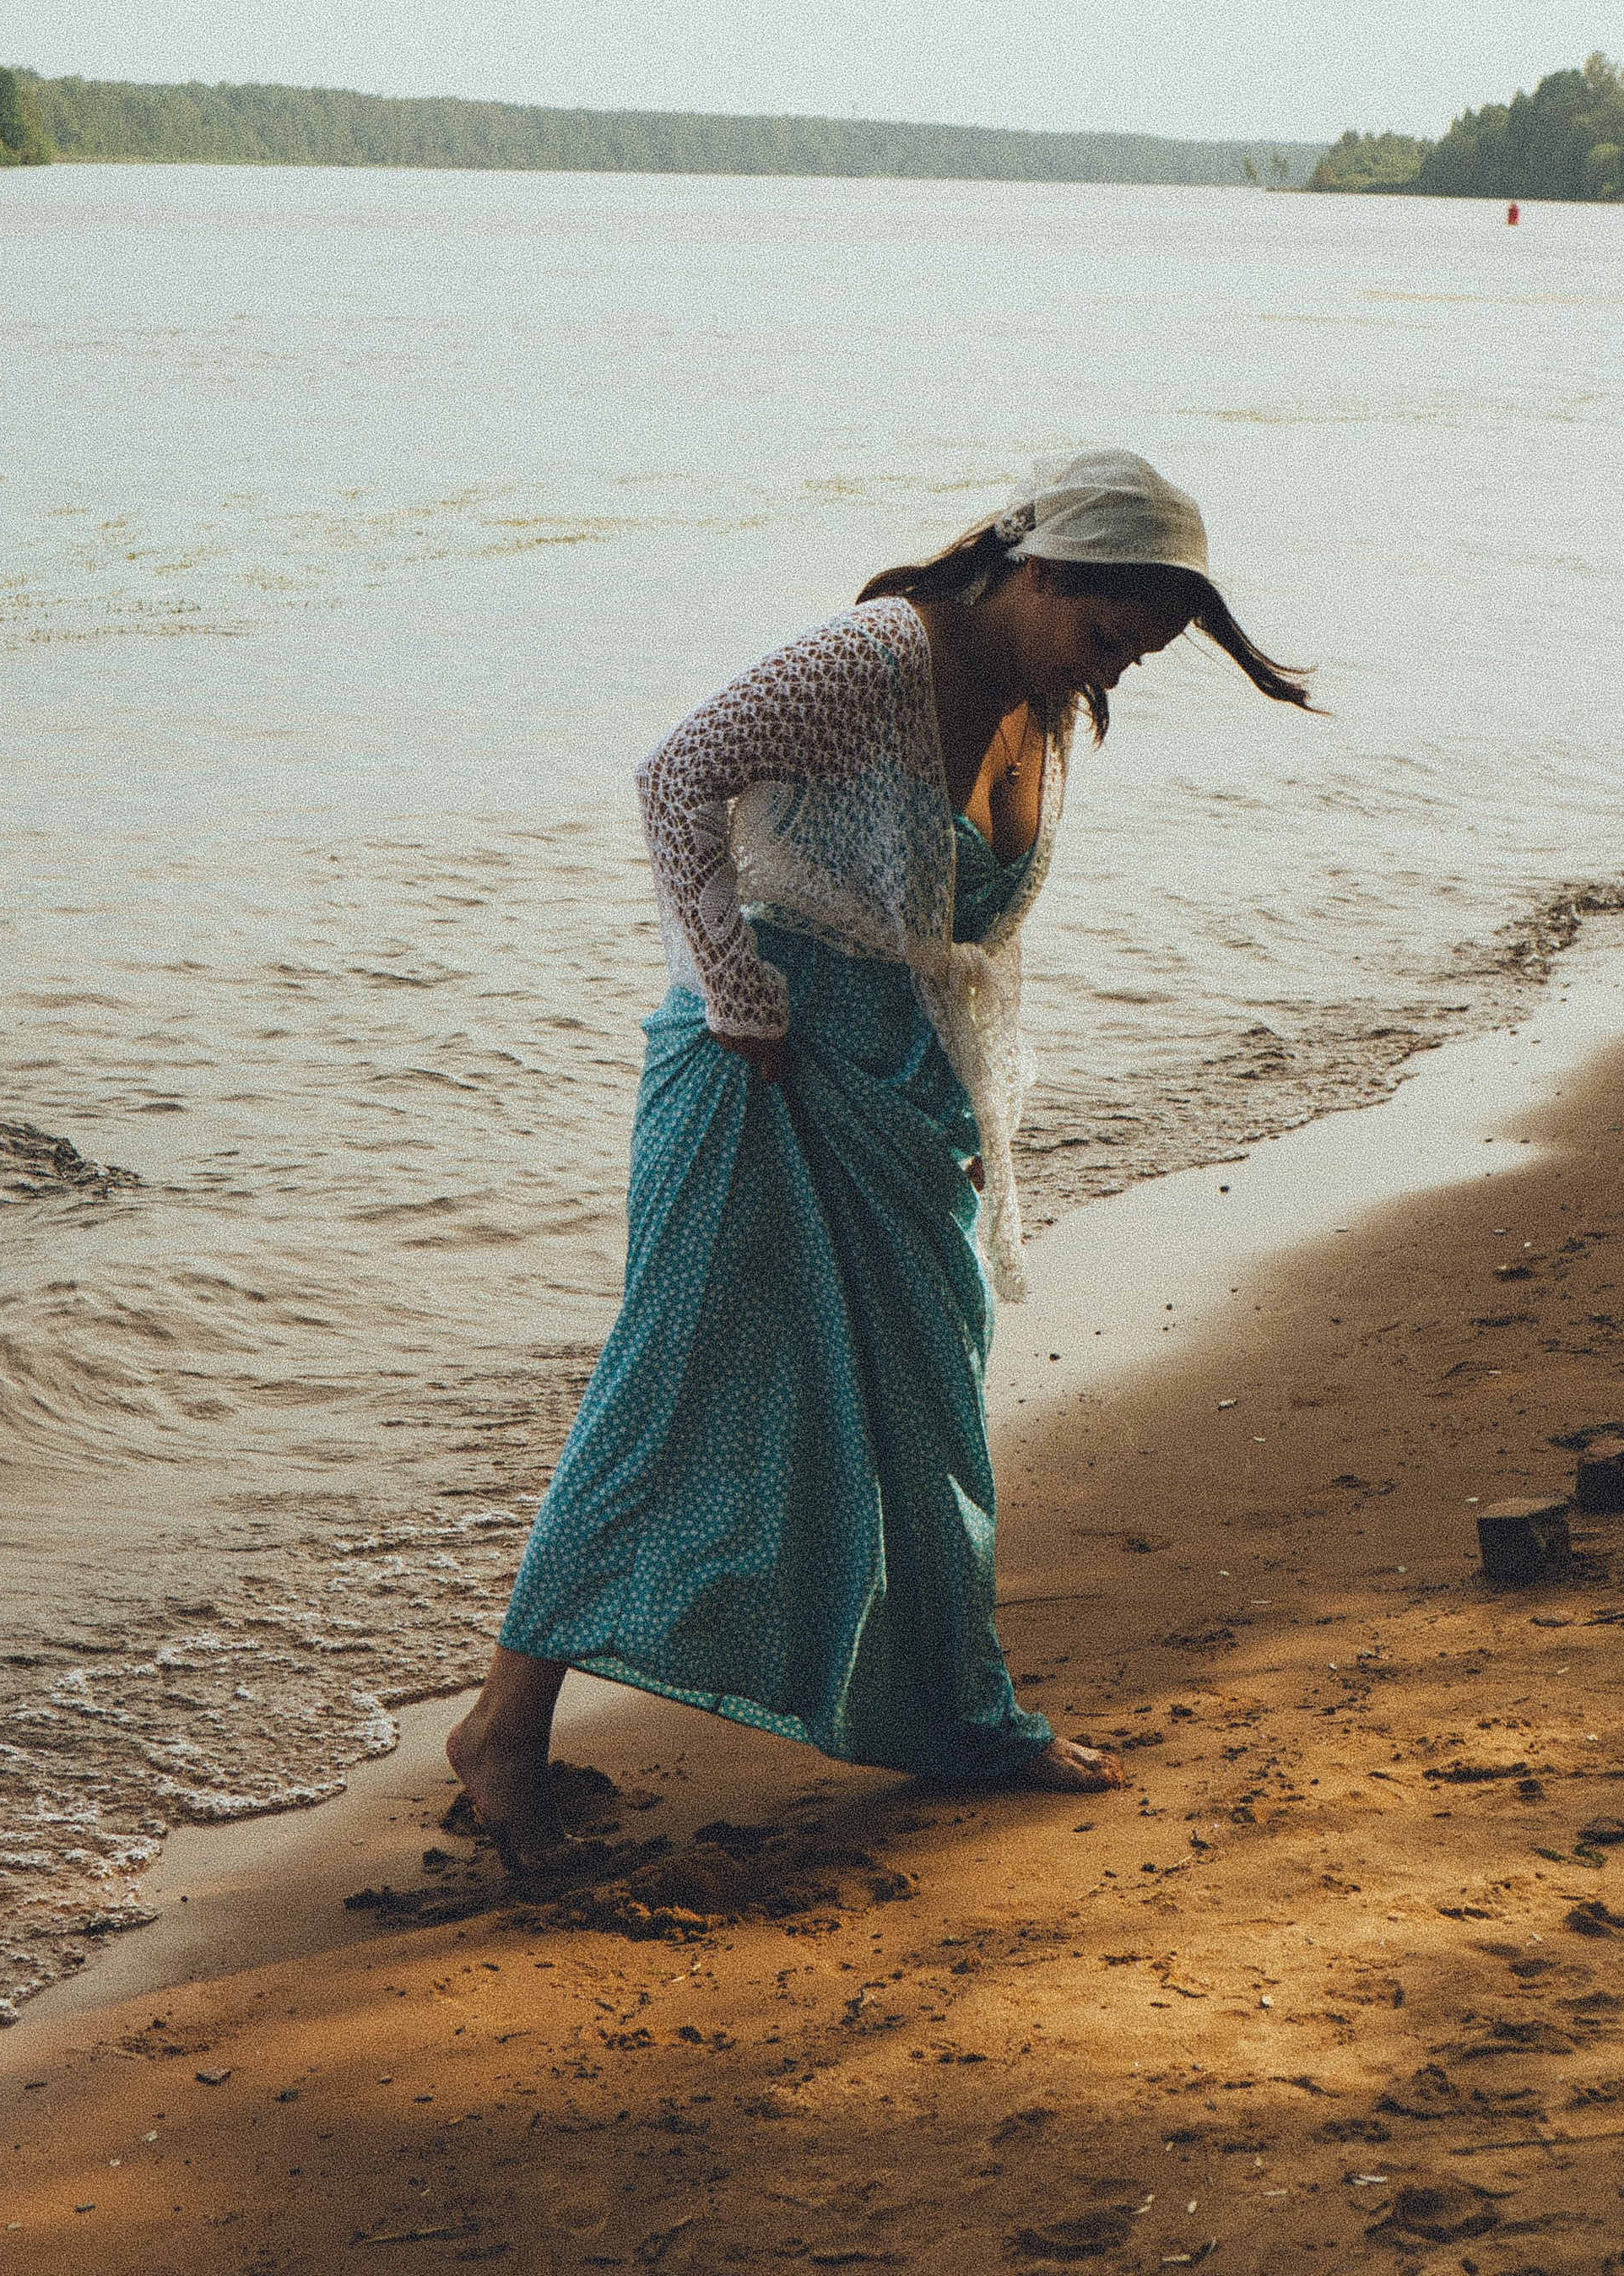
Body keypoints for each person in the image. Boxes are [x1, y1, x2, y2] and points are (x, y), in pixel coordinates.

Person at [448, 448, 1313, 1862]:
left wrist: (967, 1103)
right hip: (758, 1073)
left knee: (931, 1399)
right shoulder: (872, 655)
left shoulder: (1052, 698)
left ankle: (969, 1716)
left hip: (900, 1091)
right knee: (672, 1396)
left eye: (1143, 654)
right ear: (1039, 574)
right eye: (1110, 636)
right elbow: (675, 782)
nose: (1119, 671)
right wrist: (733, 992)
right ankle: (504, 1733)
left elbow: (961, 935)